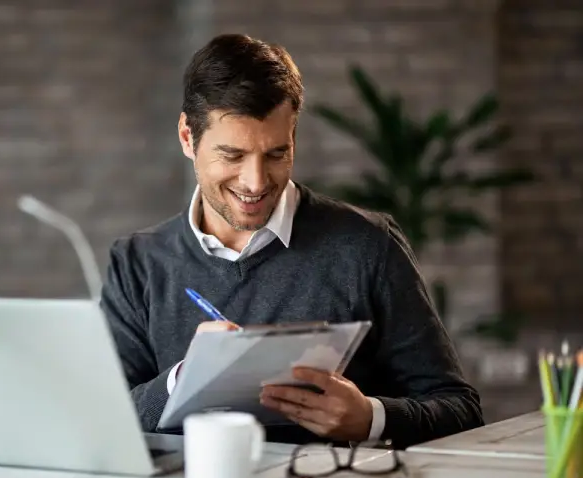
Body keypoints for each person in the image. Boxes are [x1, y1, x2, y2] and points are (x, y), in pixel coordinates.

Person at [100, 33, 484, 449]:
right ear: (187, 138)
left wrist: (370, 418)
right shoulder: (137, 261)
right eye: (233, 156)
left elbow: (460, 410)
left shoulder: (367, 245)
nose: (256, 182)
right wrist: (183, 380)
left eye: (276, 154)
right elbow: (102, 416)